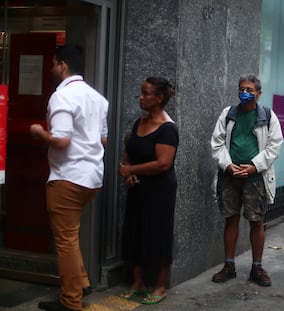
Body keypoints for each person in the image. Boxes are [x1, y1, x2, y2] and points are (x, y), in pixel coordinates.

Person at [31, 45, 109, 311]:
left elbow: (61, 140)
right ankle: (81, 282)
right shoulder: (97, 98)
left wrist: (41, 134)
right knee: (71, 237)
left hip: (67, 177)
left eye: (53, 64)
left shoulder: (62, 97)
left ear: (62, 65)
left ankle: (71, 301)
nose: (52, 69)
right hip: (92, 178)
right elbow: (103, 139)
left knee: (65, 241)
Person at [210, 74, 283, 287]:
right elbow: (217, 142)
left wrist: (254, 166)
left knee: (256, 221)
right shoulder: (228, 114)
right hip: (230, 175)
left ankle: (257, 267)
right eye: (242, 88)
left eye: (250, 90)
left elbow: (274, 146)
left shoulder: (268, 116)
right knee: (230, 219)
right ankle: (229, 265)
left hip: (255, 177)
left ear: (259, 93)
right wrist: (228, 165)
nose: (245, 93)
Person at [118, 77, 179, 305]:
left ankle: (160, 286)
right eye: (140, 93)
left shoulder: (167, 129)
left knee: (158, 235)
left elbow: (163, 163)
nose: (141, 98)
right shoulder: (139, 123)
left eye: (145, 93)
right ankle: (137, 283)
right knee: (134, 232)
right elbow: (130, 150)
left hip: (160, 190)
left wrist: (130, 169)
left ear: (159, 98)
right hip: (138, 188)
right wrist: (129, 172)